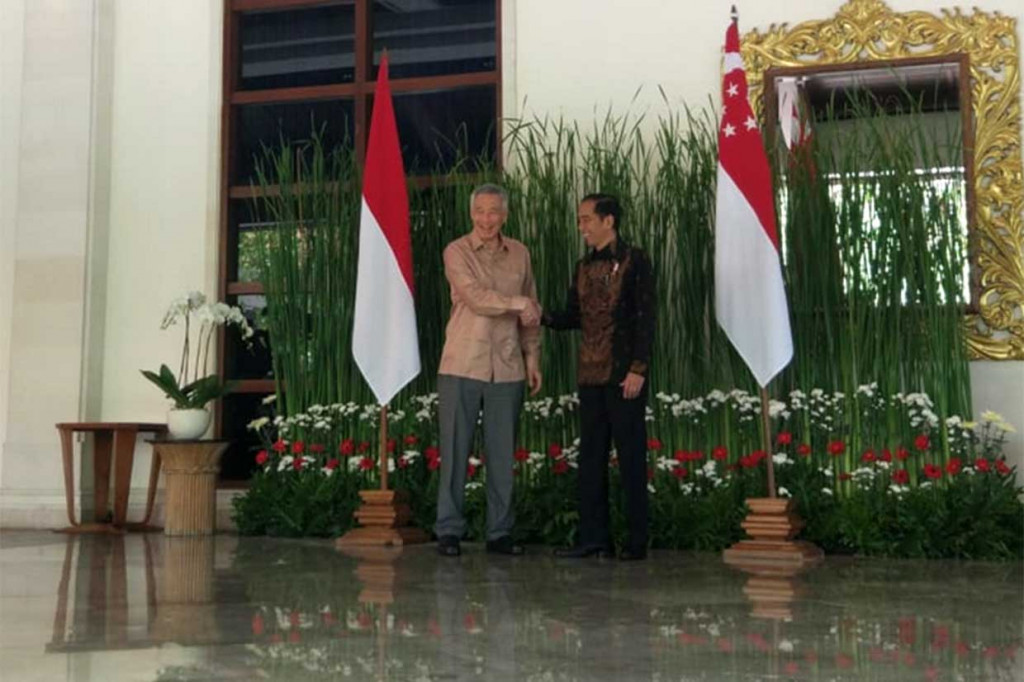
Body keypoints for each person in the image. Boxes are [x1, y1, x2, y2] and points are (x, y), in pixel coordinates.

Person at [543, 193, 655, 561]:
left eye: (587, 219)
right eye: (579, 220)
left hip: (624, 375)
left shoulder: (635, 260)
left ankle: (636, 541)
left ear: (609, 221)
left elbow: (645, 318)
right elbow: (573, 316)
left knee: (631, 456)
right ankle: (594, 538)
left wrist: (638, 368)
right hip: (590, 374)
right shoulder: (582, 266)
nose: (582, 227)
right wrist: (540, 315)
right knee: (591, 458)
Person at [434, 183, 542, 557]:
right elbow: (476, 298)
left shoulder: (520, 253)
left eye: (494, 211)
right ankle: (449, 530)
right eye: (480, 211)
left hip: (508, 366)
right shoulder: (456, 251)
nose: (486, 219)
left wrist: (532, 357)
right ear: (471, 213)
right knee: (455, 449)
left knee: (501, 452)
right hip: (462, 362)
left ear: (505, 215)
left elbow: (532, 311)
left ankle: (500, 533)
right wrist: (519, 303)